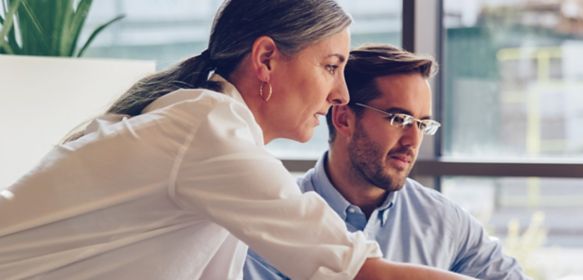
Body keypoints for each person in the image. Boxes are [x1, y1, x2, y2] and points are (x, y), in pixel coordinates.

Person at [0, 1, 472, 279]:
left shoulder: (205, 129)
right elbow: (356, 271)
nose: (341, 93)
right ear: (266, 59)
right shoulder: (207, 130)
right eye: (331, 66)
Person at [244, 44, 530, 280]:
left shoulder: (443, 220)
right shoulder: (278, 221)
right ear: (343, 118)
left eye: (422, 125)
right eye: (399, 119)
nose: (413, 141)